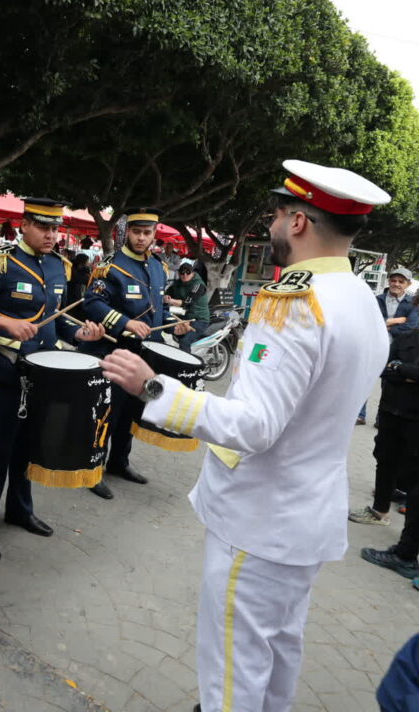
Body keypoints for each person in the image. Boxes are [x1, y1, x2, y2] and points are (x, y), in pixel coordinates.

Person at [101, 159, 390, 712]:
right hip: (305, 519)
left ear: (299, 222)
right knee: (279, 652)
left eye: (279, 214)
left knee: (232, 673)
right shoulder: (361, 300)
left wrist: (155, 389)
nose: (272, 225)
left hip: (261, 523)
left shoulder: (297, 302)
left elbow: (256, 425)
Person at [0, 198, 105, 562]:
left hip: (40, 377)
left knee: (27, 446)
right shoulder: (1, 260)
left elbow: (56, 319)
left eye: (55, 228)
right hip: (3, 372)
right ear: (24, 226)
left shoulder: (58, 266)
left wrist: (81, 333)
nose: (51, 235)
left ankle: (20, 509)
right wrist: (5, 323)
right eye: (43, 227)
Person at [82, 209, 190, 500]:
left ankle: (119, 463)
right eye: (136, 232)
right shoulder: (111, 266)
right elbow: (91, 303)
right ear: (126, 233)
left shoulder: (157, 266)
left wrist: (173, 322)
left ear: (155, 234)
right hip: (115, 351)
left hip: (146, 354)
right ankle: (93, 470)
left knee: (132, 411)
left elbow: (157, 307)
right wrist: (125, 322)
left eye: (147, 233)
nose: (142, 238)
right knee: (108, 413)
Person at [349, 305, 419, 528]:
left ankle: (408, 540)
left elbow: (397, 369)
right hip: (391, 409)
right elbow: (383, 368)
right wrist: (404, 373)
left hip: (416, 419)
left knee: (413, 471)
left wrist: (401, 369)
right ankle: (379, 511)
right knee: (385, 460)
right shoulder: (406, 338)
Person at [359, 267, 416, 424]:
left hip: (397, 350)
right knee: (364, 381)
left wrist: (384, 324)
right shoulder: (377, 299)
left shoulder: (412, 303)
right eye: (393, 280)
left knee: (389, 384)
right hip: (374, 346)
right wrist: (395, 321)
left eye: (400, 281)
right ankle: (360, 415)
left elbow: (411, 327)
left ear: (408, 284)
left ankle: (381, 418)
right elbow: (369, 322)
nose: (396, 284)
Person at [165, 259, 210, 352]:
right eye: (182, 273)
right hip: (182, 317)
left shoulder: (198, 285)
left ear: (192, 273)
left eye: (187, 273)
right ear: (179, 273)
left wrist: (171, 300)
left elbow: (187, 302)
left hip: (198, 319)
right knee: (166, 330)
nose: (184, 275)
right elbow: (166, 293)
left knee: (185, 342)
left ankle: (185, 365)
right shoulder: (177, 283)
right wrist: (166, 296)